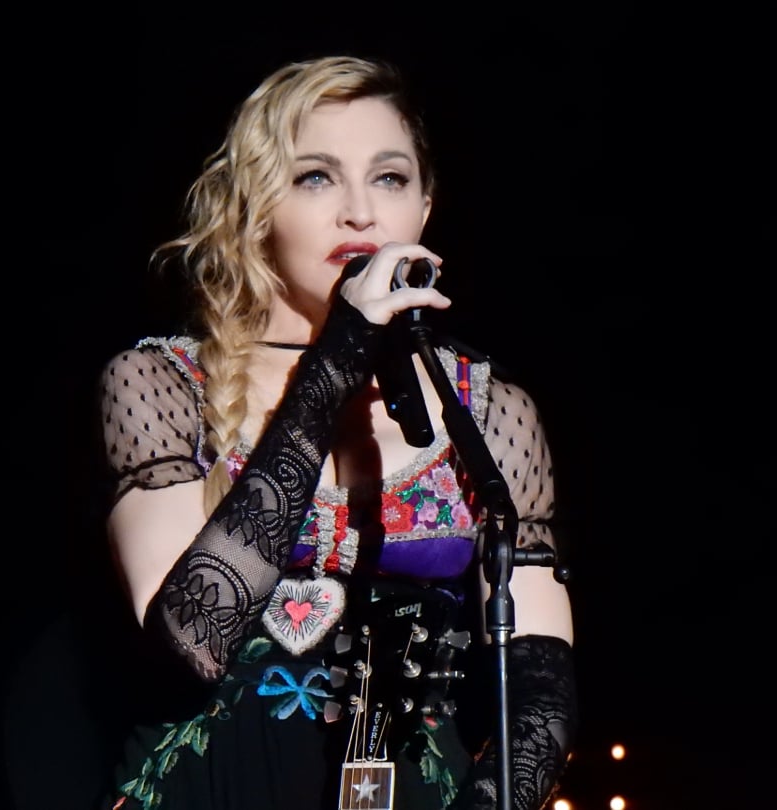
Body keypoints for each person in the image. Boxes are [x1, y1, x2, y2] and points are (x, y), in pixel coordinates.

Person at [95, 54, 577, 810]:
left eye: (390, 178)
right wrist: (339, 355)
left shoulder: (487, 412)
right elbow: (192, 635)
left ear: (424, 208)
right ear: (256, 205)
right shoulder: (162, 383)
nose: (361, 212)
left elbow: (541, 695)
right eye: (315, 176)